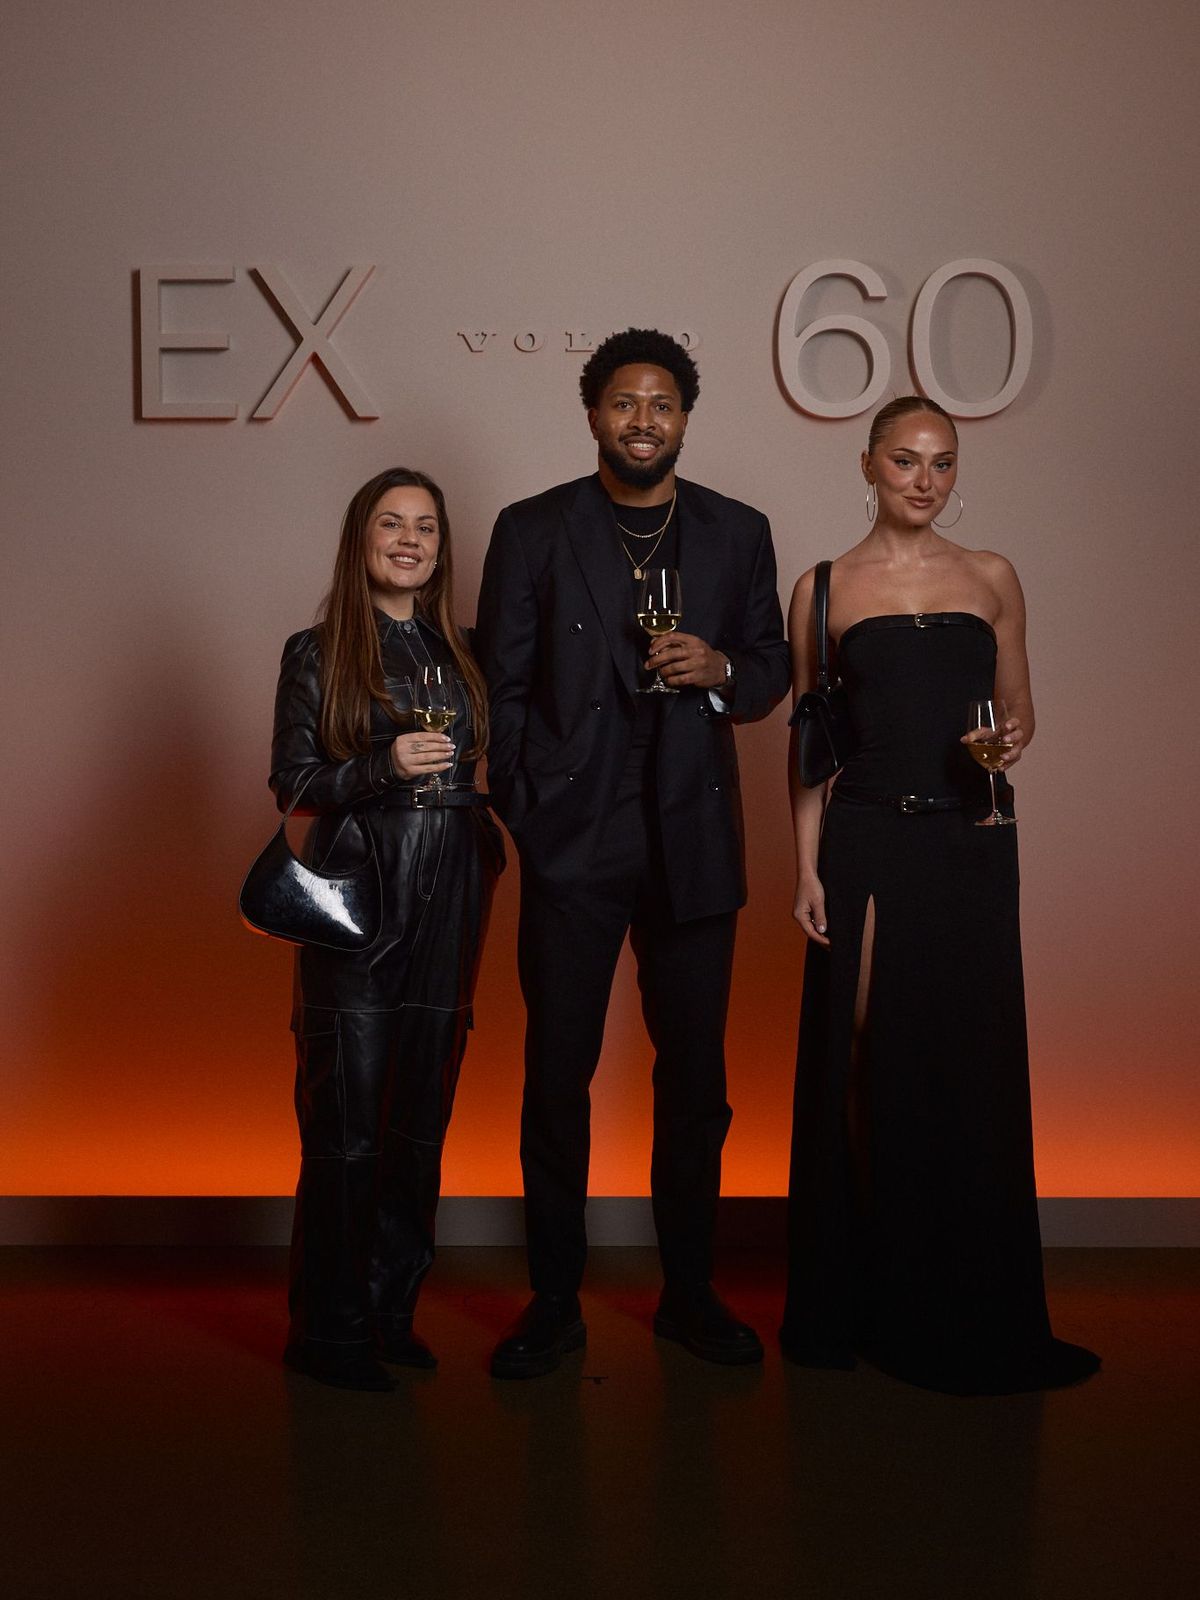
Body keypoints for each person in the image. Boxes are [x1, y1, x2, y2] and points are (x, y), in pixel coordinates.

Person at [475, 328, 790, 1377]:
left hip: (692, 837)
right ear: (594, 415)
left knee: (696, 1080)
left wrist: (722, 667)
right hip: (575, 839)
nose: (643, 420)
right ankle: (553, 1301)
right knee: (556, 1074)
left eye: (661, 403)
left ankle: (689, 1295)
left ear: (685, 418)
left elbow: (772, 666)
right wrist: (527, 808)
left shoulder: (738, 531)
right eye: (624, 403)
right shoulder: (532, 529)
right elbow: (500, 685)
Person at [782, 396, 1099, 1394]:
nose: (925, 480)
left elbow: (1021, 714)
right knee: (861, 1050)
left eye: (943, 463)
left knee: (966, 1061)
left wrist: (1006, 742)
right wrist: (804, 868)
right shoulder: (822, 588)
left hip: (971, 836)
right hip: (866, 835)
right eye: (906, 460)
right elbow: (809, 748)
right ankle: (861, 1296)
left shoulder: (992, 575)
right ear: (869, 464)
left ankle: (962, 1301)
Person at [270, 467, 503, 1391]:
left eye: (427, 527)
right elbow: (292, 782)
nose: (410, 540)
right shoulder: (317, 650)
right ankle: (329, 1333)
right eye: (392, 523)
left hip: (454, 888)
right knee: (347, 1121)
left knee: (419, 1119)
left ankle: (388, 1311)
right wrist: (381, 764)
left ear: (442, 547)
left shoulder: (466, 652)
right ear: (361, 538)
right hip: (360, 890)